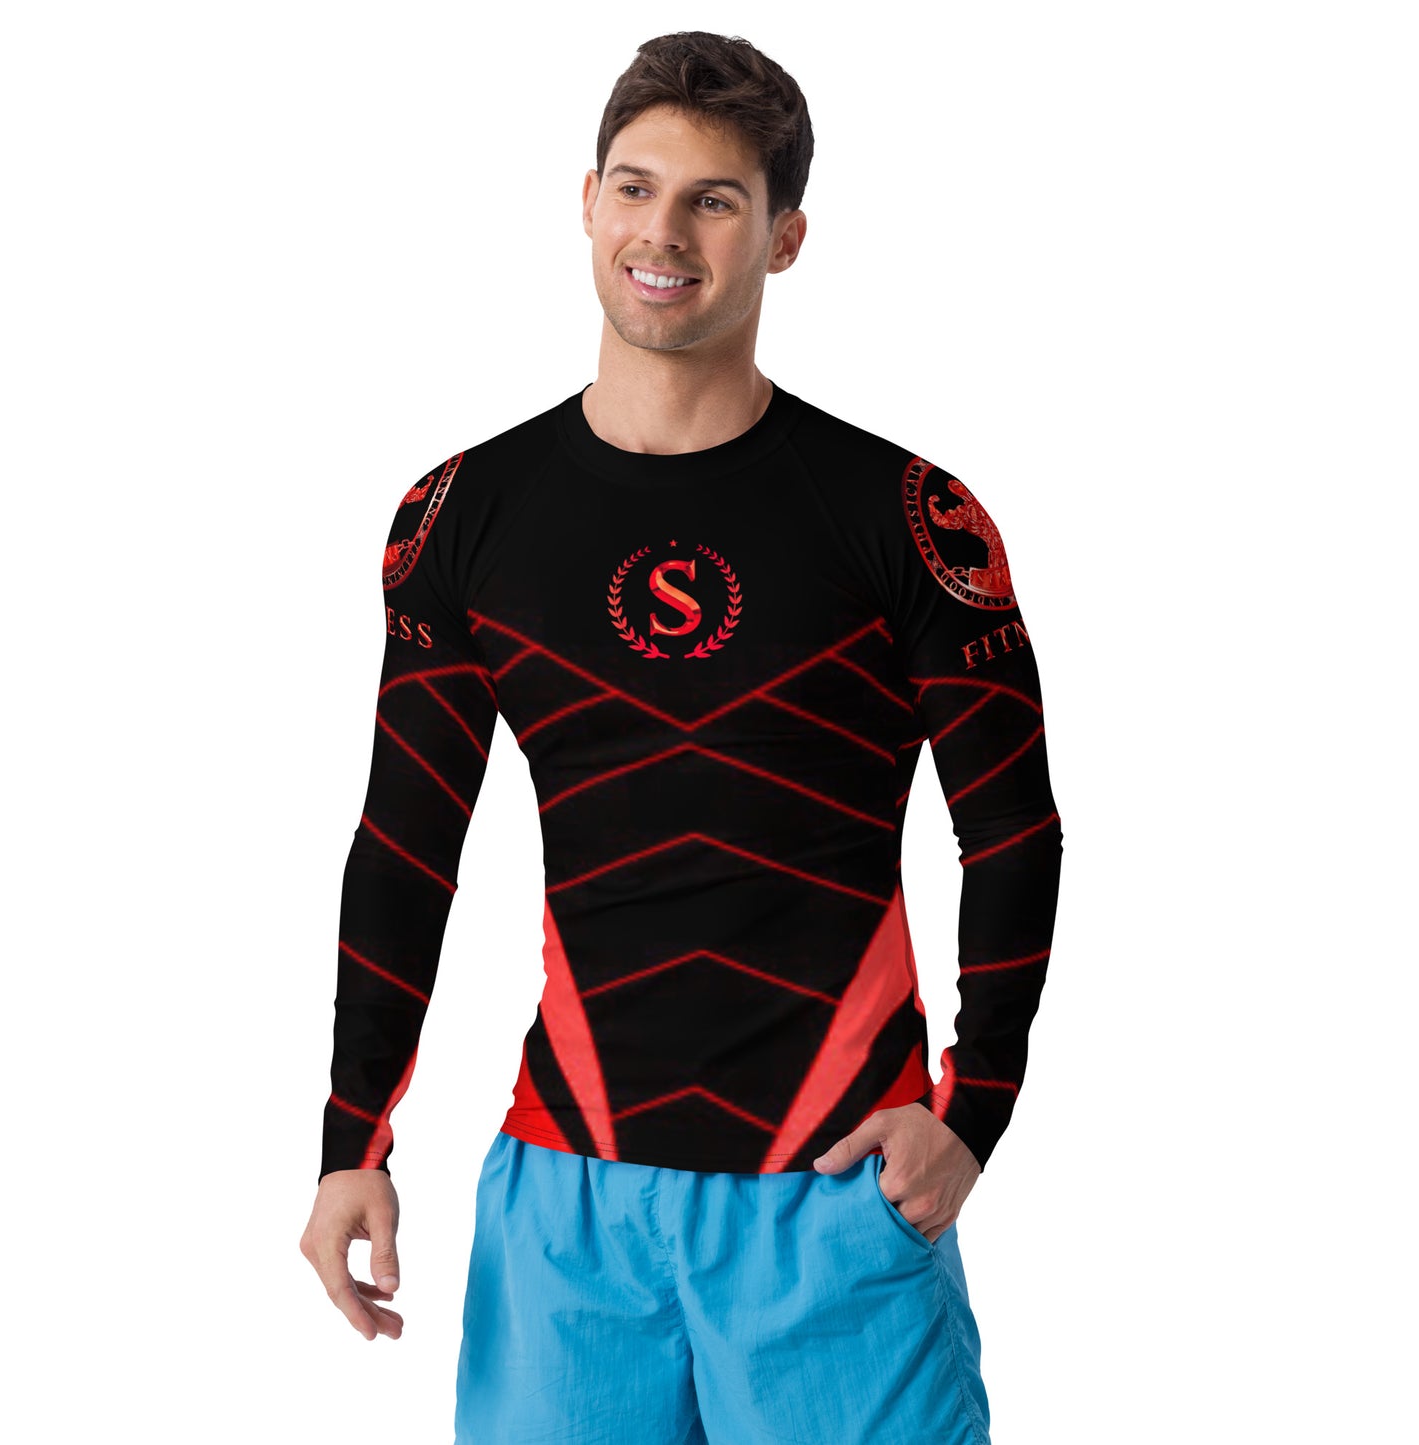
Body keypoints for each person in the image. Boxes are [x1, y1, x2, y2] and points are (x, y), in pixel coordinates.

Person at [299, 29, 1062, 1445]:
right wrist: (352, 1141)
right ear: (586, 200)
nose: (663, 233)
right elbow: (404, 845)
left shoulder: (906, 516)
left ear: (785, 237)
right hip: (564, 1202)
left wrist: (977, 1113)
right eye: (637, 188)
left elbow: (1013, 831)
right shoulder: (461, 516)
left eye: (714, 200)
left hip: (837, 1190)